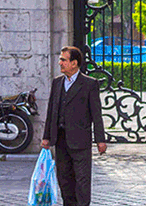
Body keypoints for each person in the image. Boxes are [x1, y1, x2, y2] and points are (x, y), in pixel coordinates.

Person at [41, 46, 107, 206]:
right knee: (64, 179)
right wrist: (46, 137)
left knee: (82, 180)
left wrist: (100, 140)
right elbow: (51, 111)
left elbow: (96, 114)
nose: (60, 63)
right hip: (61, 139)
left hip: (80, 140)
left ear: (74, 63)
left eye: (64, 60)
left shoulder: (89, 84)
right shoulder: (57, 83)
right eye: (60, 59)